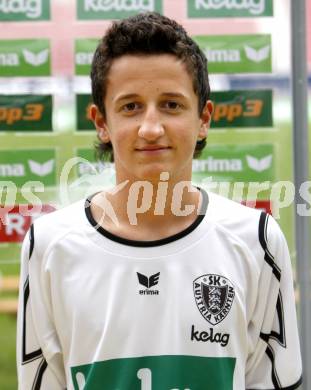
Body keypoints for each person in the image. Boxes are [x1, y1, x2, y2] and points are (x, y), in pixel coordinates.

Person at [17, 12, 302, 390]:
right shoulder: (50, 245)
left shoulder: (256, 240)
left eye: (171, 105)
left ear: (204, 118)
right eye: (131, 107)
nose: (151, 128)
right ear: (101, 122)